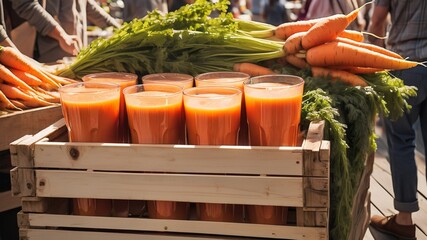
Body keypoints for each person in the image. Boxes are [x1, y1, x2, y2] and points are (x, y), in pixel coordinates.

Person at [367, 0, 427, 239]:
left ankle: (403, 220)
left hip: (404, 66)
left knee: (401, 141)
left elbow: (378, 20)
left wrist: (375, 54)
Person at [11, 0, 121, 63]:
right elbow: (25, 4)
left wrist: (118, 28)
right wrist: (62, 36)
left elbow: (87, 4)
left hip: (73, 53)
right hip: (47, 54)